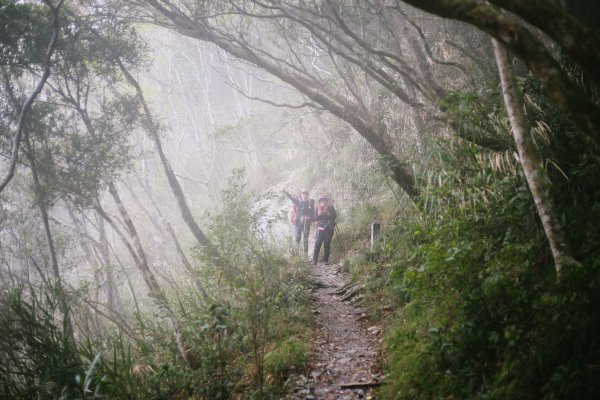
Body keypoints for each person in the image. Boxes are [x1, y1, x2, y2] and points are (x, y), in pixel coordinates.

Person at [283, 188, 315, 254]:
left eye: (306, 194)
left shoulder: (311, 202)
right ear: (301, 195)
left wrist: (310, 217)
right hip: (298, 221)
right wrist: (286, 192)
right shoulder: (298, 202)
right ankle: (297, 253)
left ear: (308, 195)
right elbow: (291, 198)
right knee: (298, 237)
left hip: (307, 221)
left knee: (306, 238)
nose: (305, 195)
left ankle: (305, 254)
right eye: (303, 194)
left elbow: (312, 212)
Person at [312, 195, 337, 266]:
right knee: (317, 244)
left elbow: (334, 216)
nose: (323, 202)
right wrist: (320, 214)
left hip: (328, 228)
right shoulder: (317, 209)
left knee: (327, 244)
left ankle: (325, 260)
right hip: (320, 228)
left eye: (324, 200)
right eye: (322, 201)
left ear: (326, 201)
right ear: (319, 202)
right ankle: (314, 259)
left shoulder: (330, 208)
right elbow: (315, 218)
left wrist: (329, 212)